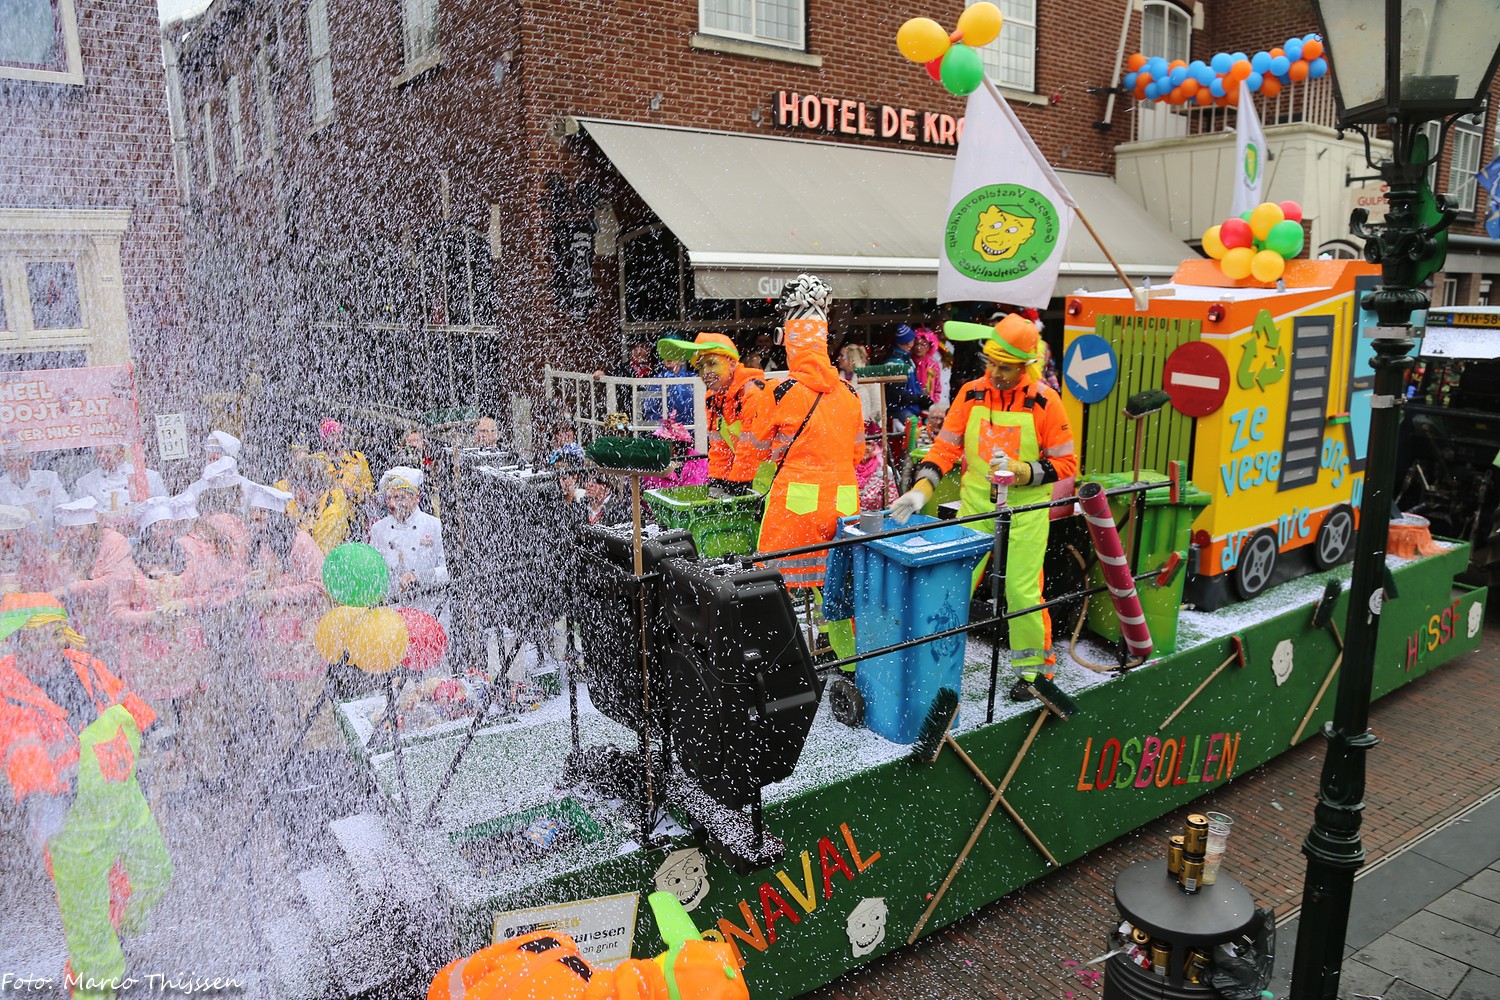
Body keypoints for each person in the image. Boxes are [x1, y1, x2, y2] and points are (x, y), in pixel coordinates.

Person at [890, 313, 1078, 701]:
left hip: (1026, 513)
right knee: (950, 586)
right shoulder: (970, 394)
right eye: (990, 363)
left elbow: (1066, 464)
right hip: (976, 509)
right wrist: (920, 491)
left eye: (1004, 367)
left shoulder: (1046, 401)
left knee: (1023, 594)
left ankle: (1034, 672)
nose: (994, 373)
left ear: (1025, 366)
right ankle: (930, 665)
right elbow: (944, 449)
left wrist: (1022, 471)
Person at [0, 593, 171, 998]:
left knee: (154, 874)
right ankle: (94, 985)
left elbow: (120, 696)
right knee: (88, 928)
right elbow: (21, 747)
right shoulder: (10, 692)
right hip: (72, 824)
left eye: (52, 635)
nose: (48, 646)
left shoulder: (83, 664)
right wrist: (45, 797)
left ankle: (120, 932)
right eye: (36, 638)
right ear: (18, 642)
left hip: (122, 799)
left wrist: (155, 727)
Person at [733, 274, 863, 590]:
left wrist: (737, 480)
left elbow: (753, 451)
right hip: (844, 507)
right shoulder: (850, 393)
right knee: (837, 589)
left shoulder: (779, 392)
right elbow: (857, 453)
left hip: (796, 508)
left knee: (780, 586)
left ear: (787, 340)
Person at [242, 482, 331, 747]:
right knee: (280, 704)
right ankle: (289, 751)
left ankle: (319, 751)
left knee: (310, 701)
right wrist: (252, 581)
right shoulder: (258, 543)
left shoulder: (300, 542)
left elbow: (319, 585)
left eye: (262, 513)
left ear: (276, 516)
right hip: (272, 643)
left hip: (302, 638)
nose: (256, 518)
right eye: (254, 512)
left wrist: (274, 594)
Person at [656, 332, 768, 491]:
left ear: (731, 363)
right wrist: (717, 482)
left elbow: (749, 447)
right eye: (700, 367)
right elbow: (720, 448)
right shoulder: (713, 398)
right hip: (751, 477)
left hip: (771, 477)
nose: (705, 372)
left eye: (712, 363)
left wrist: (737, 482)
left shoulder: (752, 393)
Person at [369, 467, 449, 620]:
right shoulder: (378, 529)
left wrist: (419, 577)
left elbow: (449, 571)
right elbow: (373, 572)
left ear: (415, 498)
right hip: (391, 614)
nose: (393, 504)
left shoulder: (435, 526)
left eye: (399, 497)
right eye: (389, 498)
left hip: (429, 611)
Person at [51, 497, 131, 637]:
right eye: (68, 530)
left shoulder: (114, 541)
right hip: (80, 616)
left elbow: (113, 581)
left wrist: (72, 588)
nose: (72, 535)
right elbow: (62, 579)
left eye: (77, 529)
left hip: (111, 615)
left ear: (92, 527)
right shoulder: (71, 545)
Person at [281, 455, 355, 553]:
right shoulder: (296, 505)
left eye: (304, 487)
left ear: (319, 488)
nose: (298, 493)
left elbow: (322, 554)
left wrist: (301, 534)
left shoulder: (332, 514)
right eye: (295, 487)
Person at [0, 440, 70, 537]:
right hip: (15, 541)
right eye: (10, 461)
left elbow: (64, 507)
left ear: (29, 460)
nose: (16, 465)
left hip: (51, 538)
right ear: (4, 463)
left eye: (20, 460)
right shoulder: (2, 486)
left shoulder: (49, 478)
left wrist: (62, 527)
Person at [72, 445, 167, 514]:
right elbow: (79, 515)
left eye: (107, 451)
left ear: (121, 452)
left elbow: (163, 510)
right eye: (99, 452)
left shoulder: (148, 477)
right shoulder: (85, 482)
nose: (101, 456)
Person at [315, 418, 374, 509]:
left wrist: (355, 491)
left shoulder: (357, 457)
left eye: (339, 433)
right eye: (332, 435)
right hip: (330, 511)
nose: (337, 437)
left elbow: (369, 486)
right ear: (324, 439)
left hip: (355, 510)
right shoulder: (319, 461)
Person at [885, 324, 933, 424]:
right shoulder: (894, 363)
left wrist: (922, 396)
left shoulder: (907, 359)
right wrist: (919, 399)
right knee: (915, 426)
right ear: (908, 342)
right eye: (912, 340)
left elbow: (914, 385)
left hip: (911, 408)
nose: (913, 344)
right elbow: (897, 395)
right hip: (899, 411)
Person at [0, 506, 52, 595]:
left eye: (5, 537)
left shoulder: (34, 556)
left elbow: (49, 582)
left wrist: (25, 586)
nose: (3, 543)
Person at [836, 342, 883, 425]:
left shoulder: (869, 379)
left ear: (852, 359)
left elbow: (877, 406)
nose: (838, 358)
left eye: (842, 356)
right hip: (843, 426)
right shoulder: (836, 380)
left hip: (865, 426)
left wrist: (875, 426)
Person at [912, 326, 949, 410]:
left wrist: (934, 400)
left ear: (928, 347)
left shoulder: (933, 365)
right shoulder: (910, 363)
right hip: (913, 404)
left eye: (922, 345)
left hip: (930, 404)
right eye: (916, 344)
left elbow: (937, 386)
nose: (919, 347)